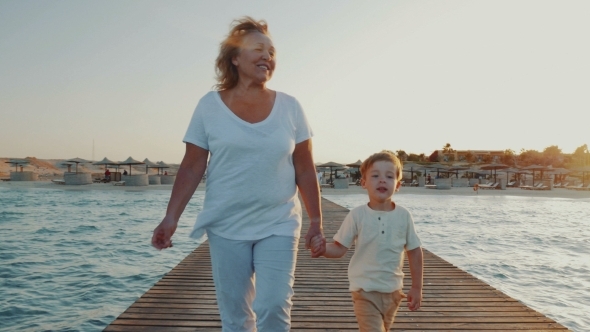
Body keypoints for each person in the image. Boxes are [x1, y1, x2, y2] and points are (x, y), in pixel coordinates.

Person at [151, 17, 324, 332]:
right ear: (234, 58)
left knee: (273, 306)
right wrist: (171, 217)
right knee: (235, 317)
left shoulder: (291, 106)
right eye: (258, 49)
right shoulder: (209, 106)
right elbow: (192, 165)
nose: (267, 57)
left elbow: (304, 166)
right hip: (226, 224)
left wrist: (316, 222)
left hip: (279, 221)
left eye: (271, 52)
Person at [311, 151, 423, 332]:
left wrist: (416, 287)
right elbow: (339, 248)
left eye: (389, 176)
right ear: (363, 183)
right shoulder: (357, 215)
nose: (382, 180)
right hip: (364, 291)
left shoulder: (404, 216)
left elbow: (414, 251)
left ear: (398, 185)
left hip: (393, 292)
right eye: (375, 175)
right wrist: (323, 249)